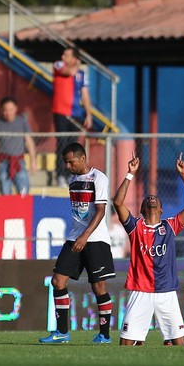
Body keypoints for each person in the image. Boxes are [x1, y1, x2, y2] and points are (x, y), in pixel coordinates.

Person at [113, 152, 184, 346]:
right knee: (126, 345)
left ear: (161, 209)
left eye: (155, 198)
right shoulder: (135, 227)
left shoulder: (170, 226)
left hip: (165, 291)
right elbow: (117, 202)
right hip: (140, 291)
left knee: (179, 345)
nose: (151, 198)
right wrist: (129, 174)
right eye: (147, 199)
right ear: (142, 209)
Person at [39, 142, 115, 344]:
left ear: (83, 158)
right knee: (57, 281)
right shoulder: (73, 181)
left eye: (71, 162)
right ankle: (62, 332)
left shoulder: (99, 178)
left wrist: (85, 237)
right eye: (65, 163)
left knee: (99, 286)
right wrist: (78, 236)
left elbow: (100, 211)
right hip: (75, 237)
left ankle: (105, 335)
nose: (68, 166)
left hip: (95, 239)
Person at [52, 47, 92, 188]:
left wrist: (88, 113)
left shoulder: (81, 74)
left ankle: (71, 174)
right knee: (62, 143)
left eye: (67, 55)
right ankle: (60, 175)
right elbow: (69, 71)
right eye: (63, 54)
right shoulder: (58, 65)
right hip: (61, 112)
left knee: (72, 146)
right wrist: (76, 65)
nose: (63, 57)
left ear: (74, 58)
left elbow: (85, 94)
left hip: (76, 114)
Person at [0, 96, 37, 195]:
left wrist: (33, 162)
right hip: (3, 163)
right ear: (2, 110)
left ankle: (22, 210)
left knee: (24, 190)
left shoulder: (22, 122)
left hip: (19, 162)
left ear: (15, 109)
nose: (8, 113)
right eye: (5, 110)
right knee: (5, 192)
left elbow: (29, 142)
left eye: (11, 109)